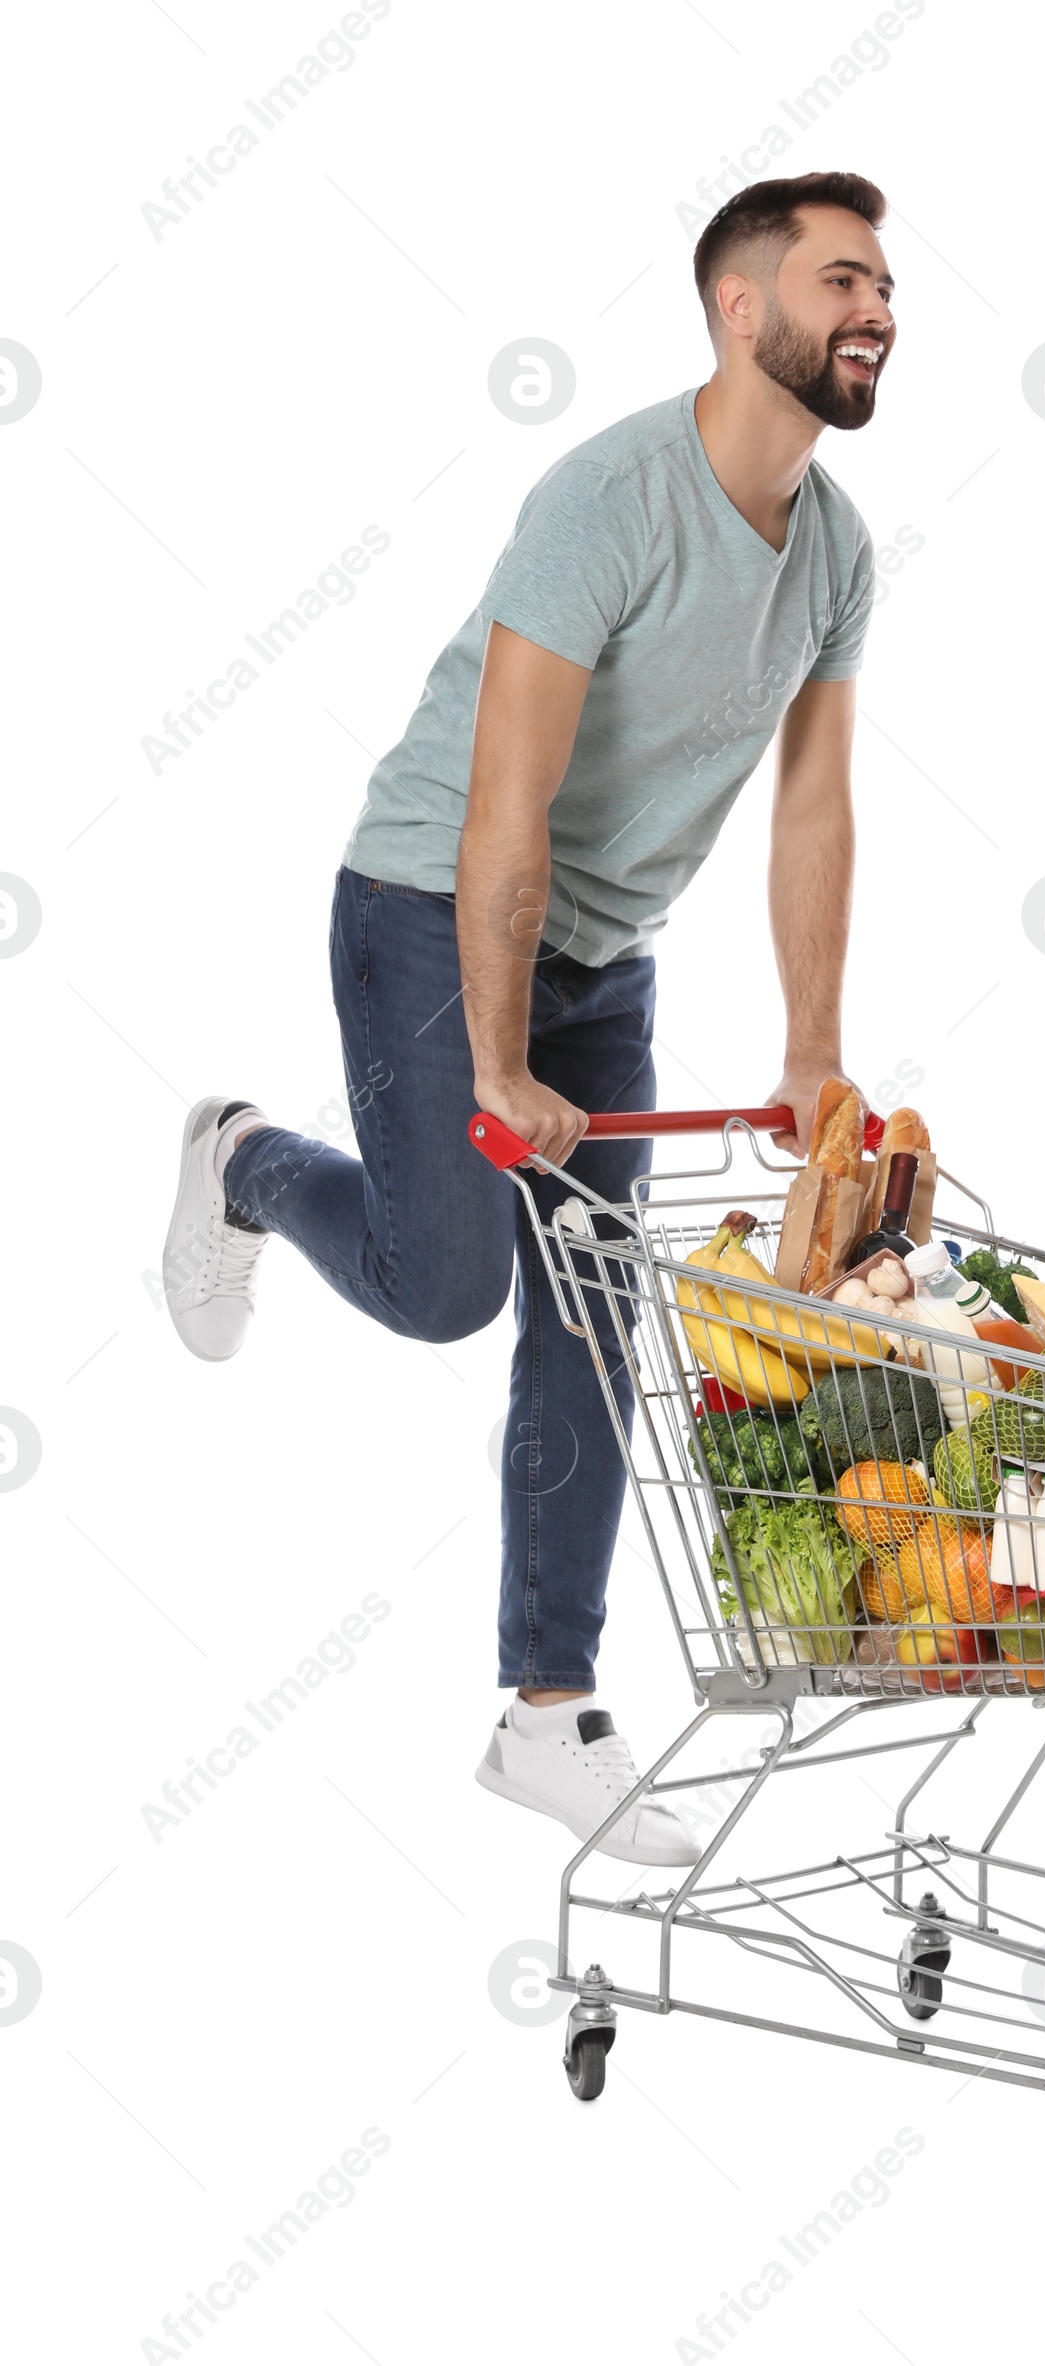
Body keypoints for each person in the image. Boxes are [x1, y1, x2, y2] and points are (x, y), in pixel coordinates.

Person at [161, 172, 895, 1866]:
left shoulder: (839, 551)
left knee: (592, 1313)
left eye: (883, 287)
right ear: (739, 306)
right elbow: (507, 795)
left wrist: (810, 1050)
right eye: (846, 279)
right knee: (453, 1286)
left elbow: (812, 813)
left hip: (608, 953)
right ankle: (248, 1162)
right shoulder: (611, 500)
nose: (879, 312)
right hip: (431, 903)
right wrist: (496, 1061)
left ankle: (546, 1709)